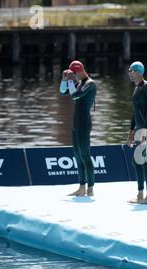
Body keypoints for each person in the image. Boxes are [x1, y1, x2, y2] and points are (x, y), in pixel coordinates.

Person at [60, 60, 96, 197]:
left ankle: (90, 189)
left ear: (79, 71)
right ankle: (81, 188)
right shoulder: (79, 83)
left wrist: (70, 81)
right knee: (77, 156)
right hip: (76, 123)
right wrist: (64, 80)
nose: (73, 76)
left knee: (85, 156)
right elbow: (63, 92)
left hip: (84, 123)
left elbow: (75, 96)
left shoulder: (90, 84)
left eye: (73, 74)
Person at [126, 61, 147, 205]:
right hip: (140, 130)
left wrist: (143, 130)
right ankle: (141, 194)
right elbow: (135, 113)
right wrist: (131, 131)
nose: (129, 73)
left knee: (143, 161)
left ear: (138, 72)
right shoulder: (136, 89)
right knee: (139, 161)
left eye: (131, 70)